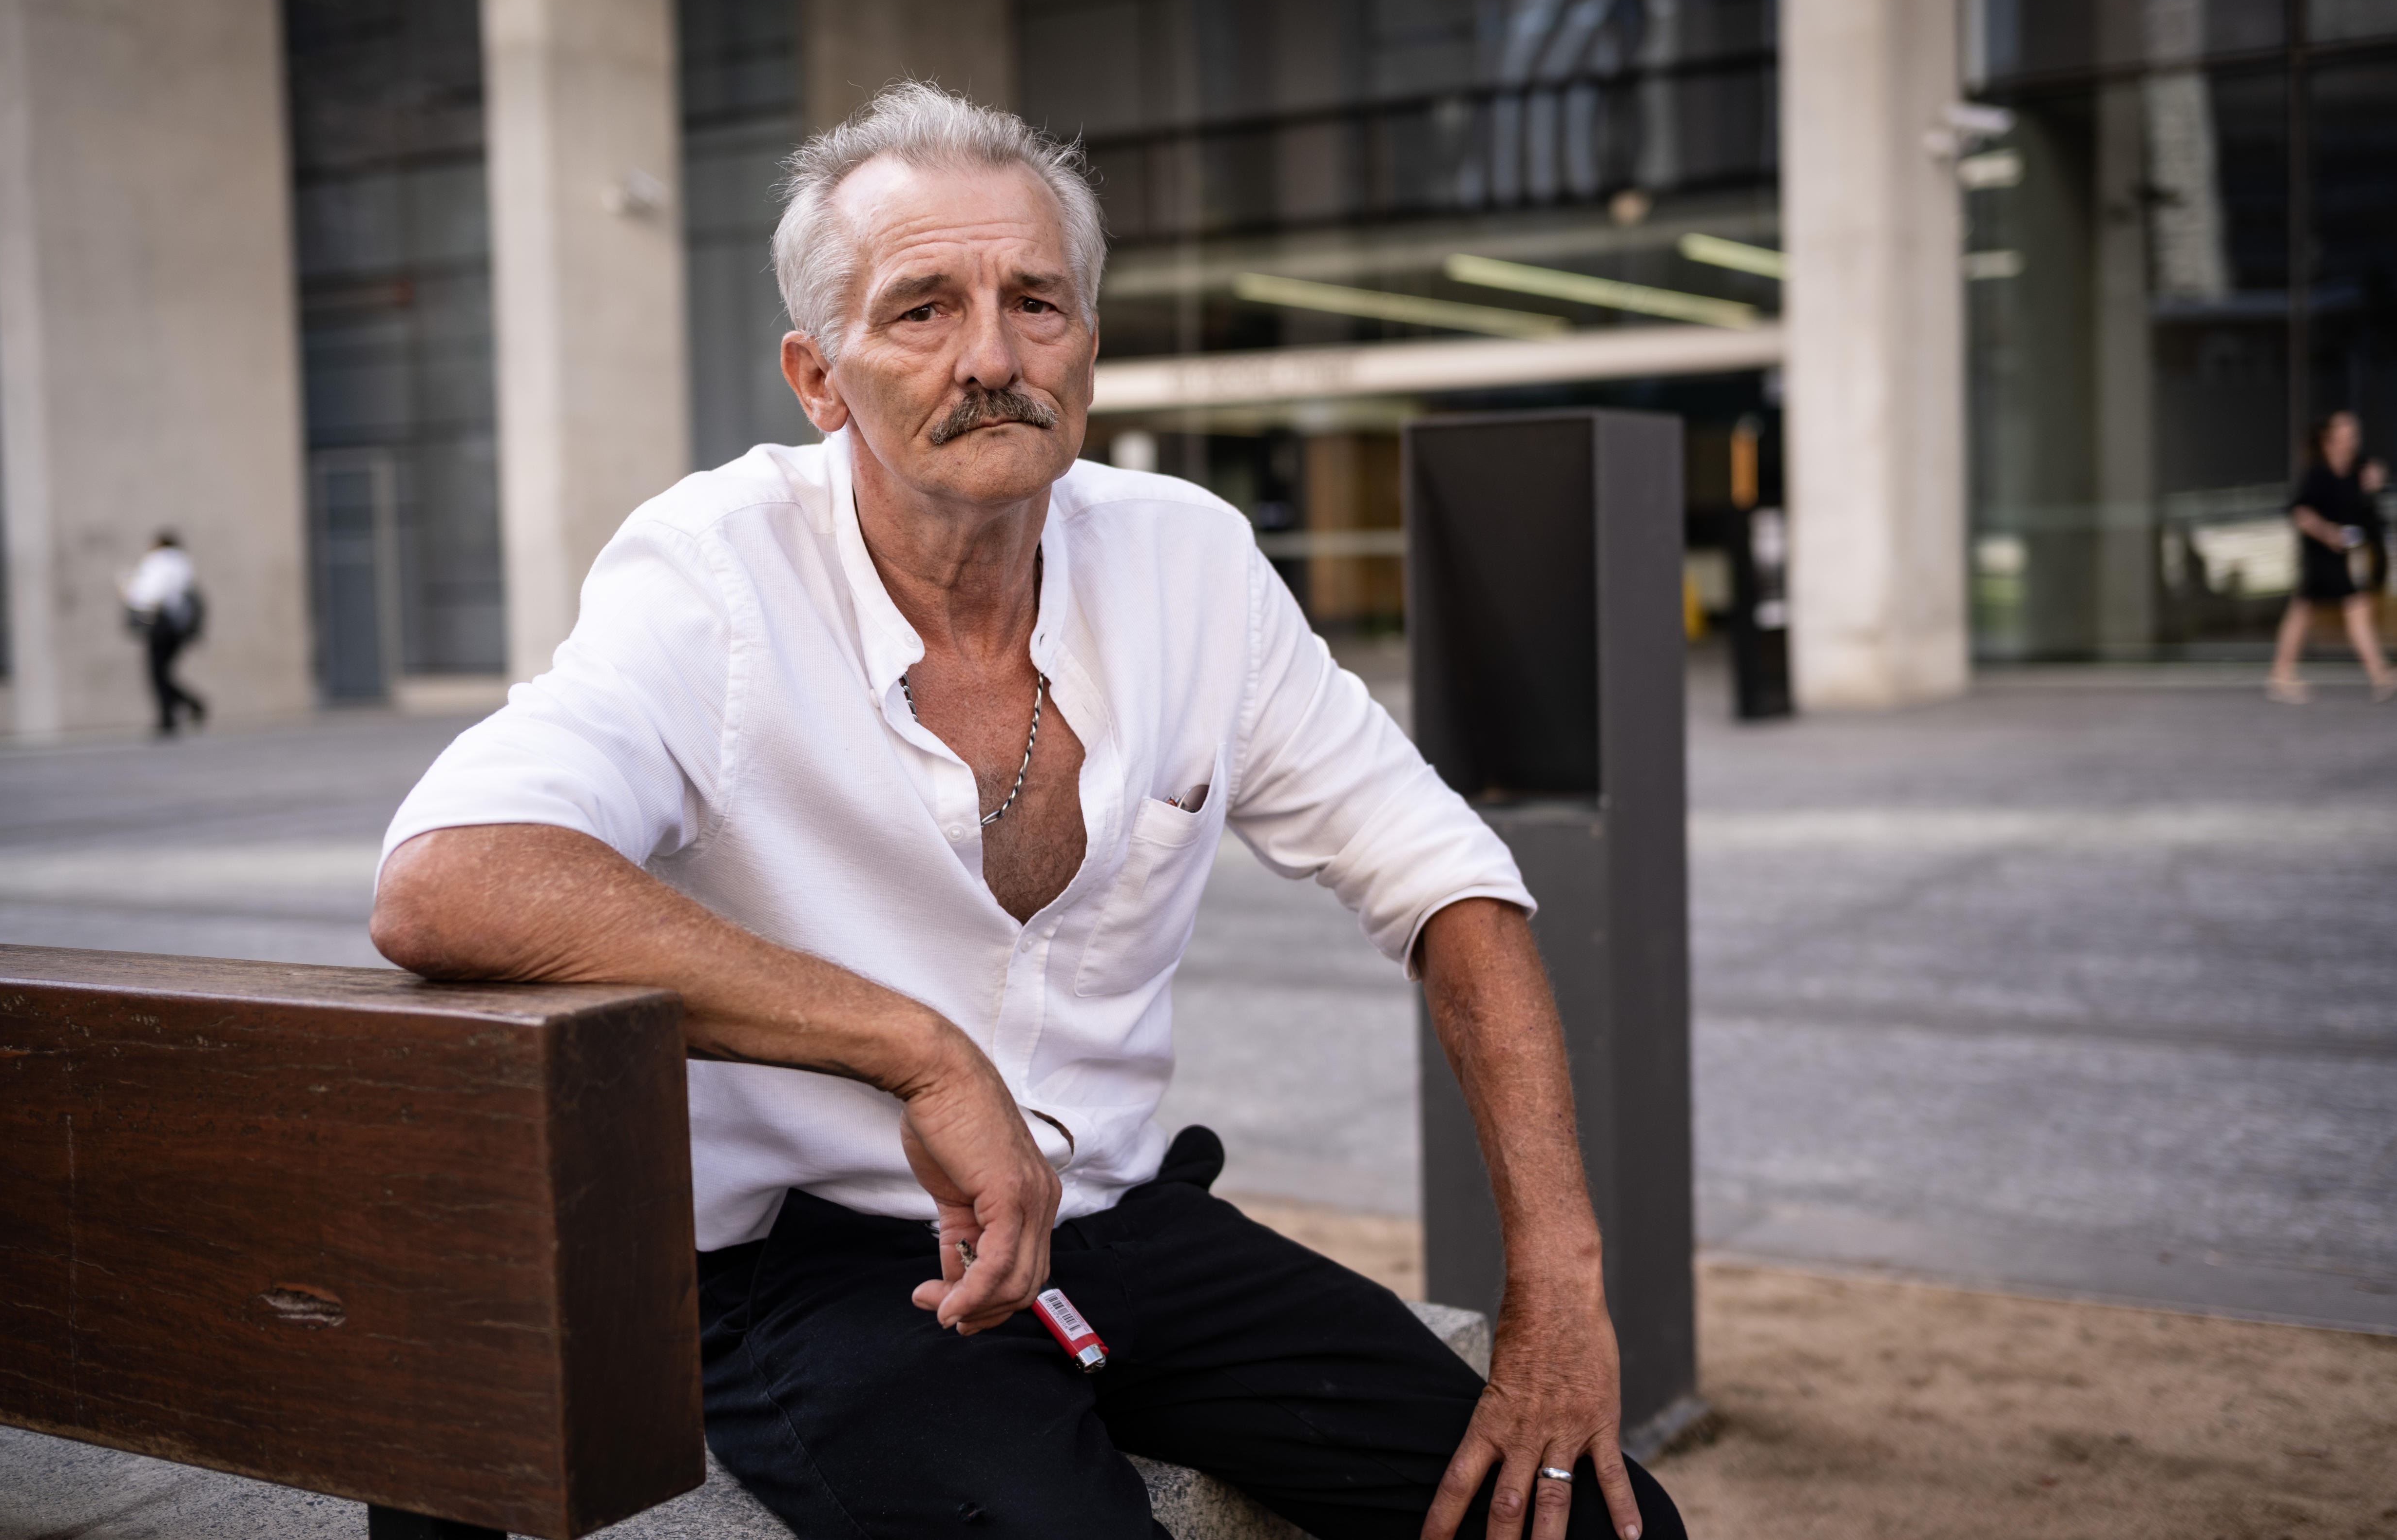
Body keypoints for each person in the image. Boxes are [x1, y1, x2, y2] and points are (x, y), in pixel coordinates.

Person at [371, 84, 1686, 1540]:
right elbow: (453, 877)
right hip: (818, 1262)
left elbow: (1447, 884)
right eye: (922, 308)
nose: (991, 357)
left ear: (1089, 348)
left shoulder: (1190, 560)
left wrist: (1556, 1284)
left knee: (1594, 1526)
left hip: (1118, 1219)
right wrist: (918, 1056)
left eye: (1035, 304)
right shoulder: (715, 572)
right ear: (818, 376)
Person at [2267, 411, 2393, 704]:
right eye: (2344, 434)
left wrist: (2376, 478)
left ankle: (2281, 673)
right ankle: (2380, 674)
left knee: (2308, 611)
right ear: (2328, 439)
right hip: (2322, 555)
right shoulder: (2319, 474)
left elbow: (2373, 482)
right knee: (2347, 608)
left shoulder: (2356, 469)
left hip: (2343, 554)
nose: (2351, 441)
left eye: (2353, 434)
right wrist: (2329, 534)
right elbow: (2300, 512)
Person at [119, 530, 207, 734]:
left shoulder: (158, 562)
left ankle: (170, 716)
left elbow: (148, 594)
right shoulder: (183, 563)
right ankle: (187, 706)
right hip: (177, 626)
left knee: (157, 673)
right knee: (164, 672)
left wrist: (128, 590)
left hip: (160, 624)